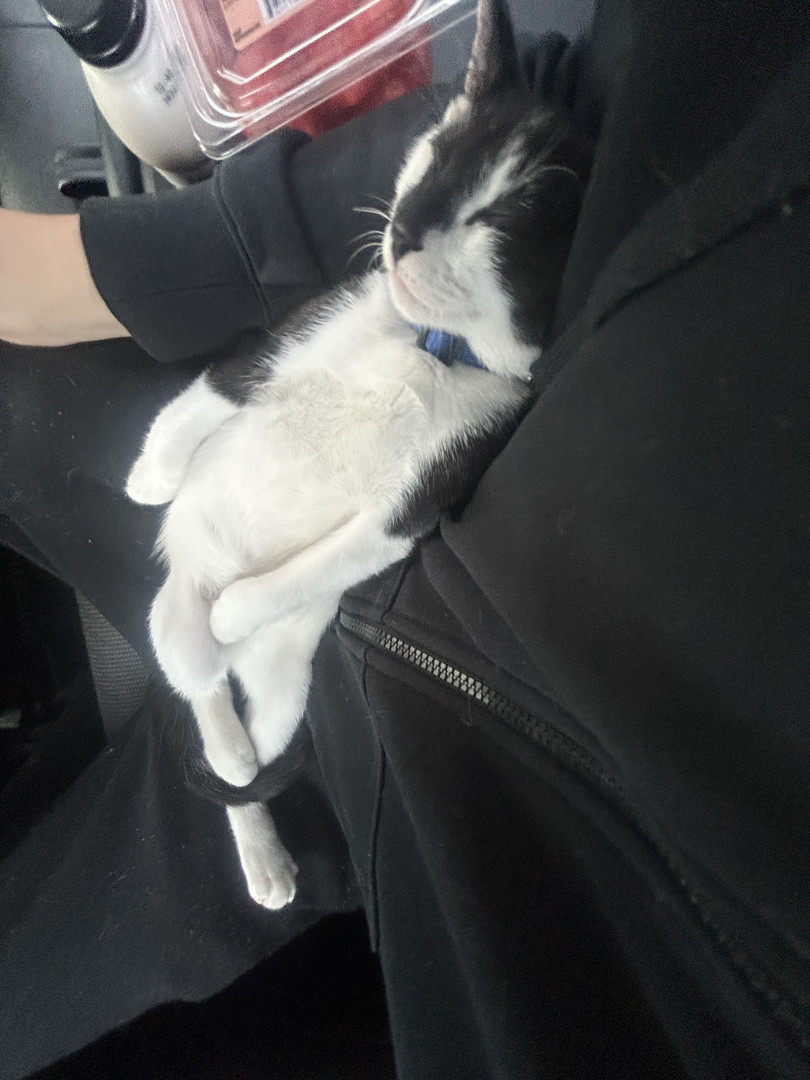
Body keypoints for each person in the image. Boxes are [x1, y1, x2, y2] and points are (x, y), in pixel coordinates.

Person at [1, 0, 809, 1077]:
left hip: (413, 773)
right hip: (284, 471)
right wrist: (183, 253)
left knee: (71, 938)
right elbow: (569, 98)